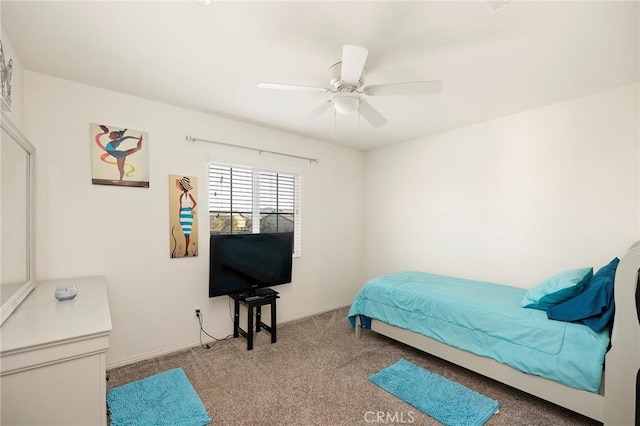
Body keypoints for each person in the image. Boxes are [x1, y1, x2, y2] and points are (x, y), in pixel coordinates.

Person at [176, 177, 197, 257]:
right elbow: (180, 207)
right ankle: (186, 251)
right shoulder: (181, 196)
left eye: (181, 185)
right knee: (185, 234)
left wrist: (191, 208)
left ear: (184, 186)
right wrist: (179, 217)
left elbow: (195, 203)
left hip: (188, 214)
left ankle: (186, 250)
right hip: (183, 215)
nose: (180, 187)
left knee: (187, 234)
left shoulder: (190, 195)